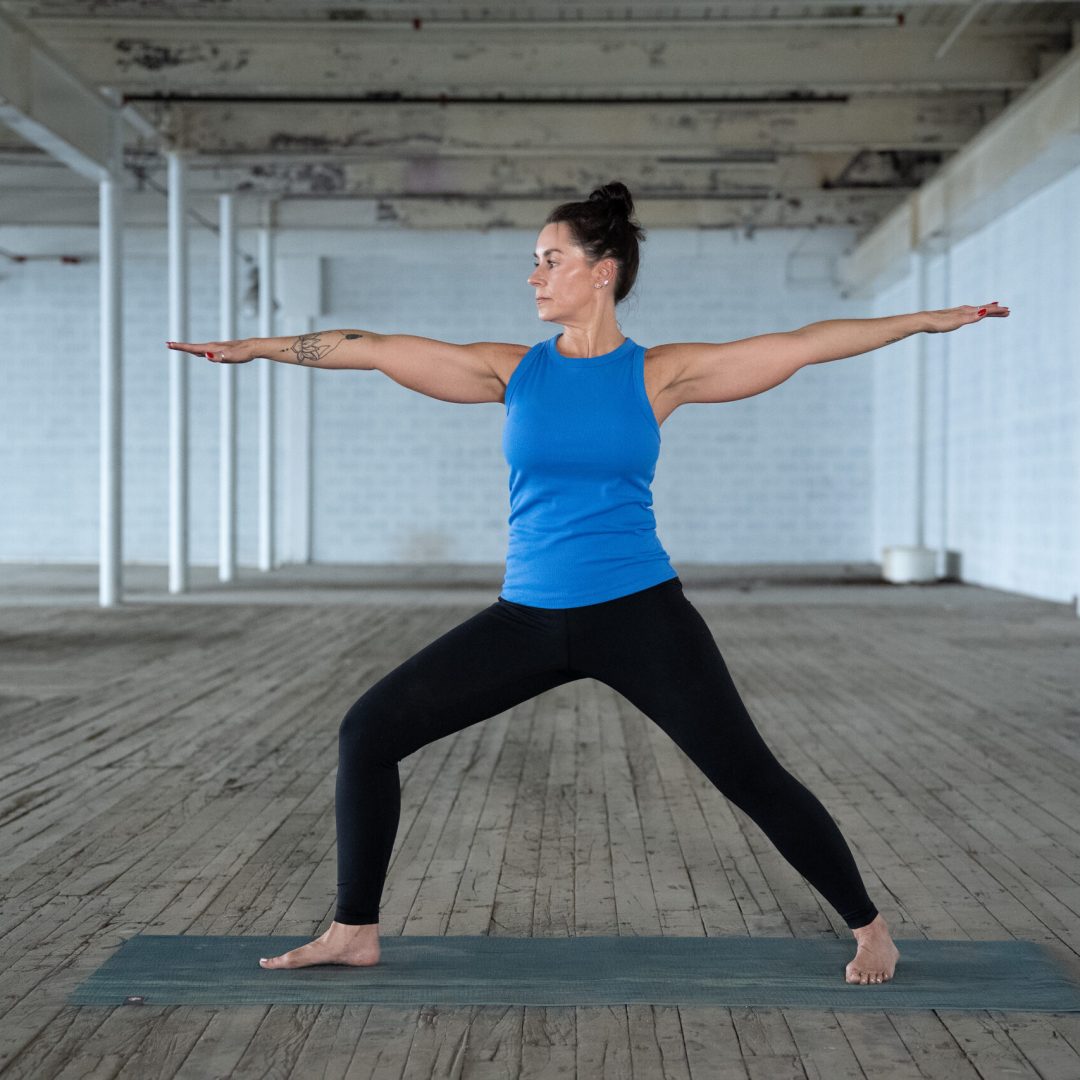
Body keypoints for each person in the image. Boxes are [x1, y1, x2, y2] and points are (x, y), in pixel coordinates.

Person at [168, 181, 1008, 985]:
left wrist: (927, 319)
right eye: (533, 261)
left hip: (640, 615)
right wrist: (258, 349)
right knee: (369, 730)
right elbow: (373, 347)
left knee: (749, 774)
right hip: (525, 619)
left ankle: (869, 924)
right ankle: (353, 931)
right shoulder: (513, 371)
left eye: (549, 258)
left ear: (601, 272)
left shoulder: (660, 374)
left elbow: (804, 342)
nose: (534, 275)